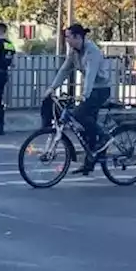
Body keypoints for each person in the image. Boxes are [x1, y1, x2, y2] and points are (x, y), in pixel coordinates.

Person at [44, 23, 112, 175]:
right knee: (87, 129)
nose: (66, 40)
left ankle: (105, 137)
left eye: (68, 37)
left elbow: (90, 74)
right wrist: (52, 88)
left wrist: (84, 95)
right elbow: (64, 70)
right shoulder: (74, 52)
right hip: (90, 90)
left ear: (77, 37)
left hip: (100, 90)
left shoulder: (92, 51)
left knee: (78, 115)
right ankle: (90, 162)